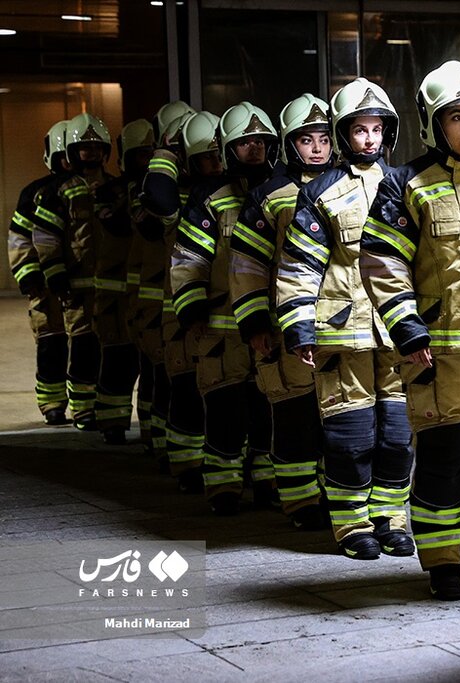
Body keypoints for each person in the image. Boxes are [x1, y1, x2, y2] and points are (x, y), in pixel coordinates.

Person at [360, 62, 460, 599]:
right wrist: (407, 329)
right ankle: (444, 562)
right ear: (434, 124)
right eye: (457, 118)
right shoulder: (405, 185)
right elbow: (382, 261)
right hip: (435, 354)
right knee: (443, 460)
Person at [276, 80, 416, 553]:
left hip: (395, 335)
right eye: (360, 130)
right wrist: (298, 327)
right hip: (342, 333)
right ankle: (352, 524)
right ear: (344, 135)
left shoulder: (406, 185)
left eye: (378, 130)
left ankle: (391, 518)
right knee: (350, 435)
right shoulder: (320, 192)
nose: (371, 140)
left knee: (397, 435)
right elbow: (299, 265)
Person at [230, 93, 332, 530]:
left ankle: (337, 497)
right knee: (293, 417)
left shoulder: (351, 185)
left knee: (339, 419)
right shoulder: (269, 195)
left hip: (339, 328)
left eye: (324, 139)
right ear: (289, 144)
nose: (316, 149)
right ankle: (299, 502)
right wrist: (254, 324)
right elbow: (247, 266)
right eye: (306, 140)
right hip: (284, 327)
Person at [170, 102, 277, 515]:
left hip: (271, 329)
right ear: (229, 148)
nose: (253, 149)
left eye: (260, 142)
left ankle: (269, 483)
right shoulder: (210, 201)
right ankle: (223, 486)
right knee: (225, 412)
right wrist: (190, 311)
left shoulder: (283, 195)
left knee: (269, 411)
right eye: (244, 142)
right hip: (221, 331)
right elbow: (187, 260)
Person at [139, 110, 216, 488]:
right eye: (206, 157)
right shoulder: (179, 200)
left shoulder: (239, 193)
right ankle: (187, 465)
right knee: (185, 390)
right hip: (182, 314)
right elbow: (156, 194)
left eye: (220, 154)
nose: (215, 164)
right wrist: (165, 155)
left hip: (227, 316)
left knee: (224, 398)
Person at [31, 112, 111, 431]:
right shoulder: (58, 191)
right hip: (76, 287)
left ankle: (93, 405)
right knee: (79, 346)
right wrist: (55, 275)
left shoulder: (116, 189)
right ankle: (78, 408)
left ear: (106, 150)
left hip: (110, 286)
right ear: (72, 153)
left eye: (95, 147)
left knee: (101, 349)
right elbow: (45, 237)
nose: (90, 153)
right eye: (83, 148)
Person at [92, 119, 155, 445]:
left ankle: (149, 429)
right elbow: (114, 225)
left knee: (151, 366)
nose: (146, 161)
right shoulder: (109, 193)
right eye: (140, 155)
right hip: (115, 297)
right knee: (117, 361)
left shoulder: (159, 194)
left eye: (151, 154)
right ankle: (111, 423)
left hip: (147, 294)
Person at [8, 120, 71, 426]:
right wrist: (29, 277)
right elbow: (20, 240)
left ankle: (89, 405)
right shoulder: (34, 193)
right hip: (47, 288)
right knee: (51, 345)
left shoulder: (102, 189)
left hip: (88, 287)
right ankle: (53, 403)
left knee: (91, 349)